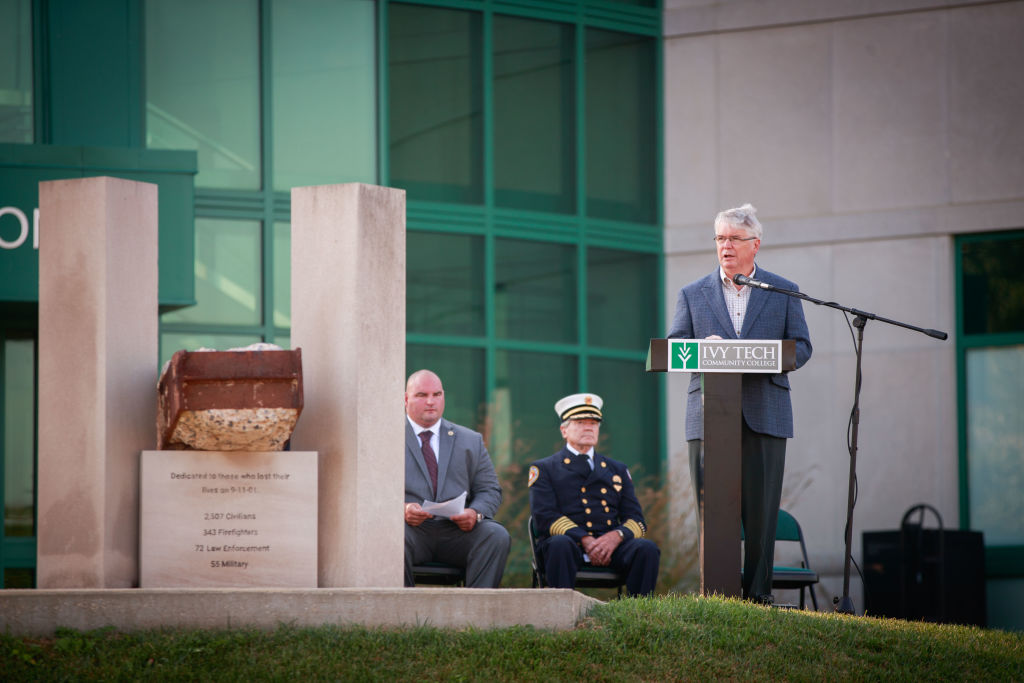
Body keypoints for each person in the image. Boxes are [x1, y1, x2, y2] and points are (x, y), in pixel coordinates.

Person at [666, 203, 812, 604]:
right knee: (712, 512)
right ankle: (717, 596)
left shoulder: (783, 291)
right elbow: (675, 347)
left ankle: (759, 596)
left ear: (755, 244)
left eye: (734, 238)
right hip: (708, 417)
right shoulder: (692, 293)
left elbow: (802, 347)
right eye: (720, 238)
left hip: (766, 413)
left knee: (762, 514)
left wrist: (760, 356)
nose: (725, 246)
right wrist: (704, 348)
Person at [528, 393, 660, 596]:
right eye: (580, 422)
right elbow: (545, 516)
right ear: (564, 430)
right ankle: (561, 611)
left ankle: (640, 612)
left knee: (646, 548)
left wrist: (616, 536)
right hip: (568, 545)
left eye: (594, 423)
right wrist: (585, 539)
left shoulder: (617, 469)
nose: (589, 428)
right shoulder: (545, 468)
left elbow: (637, 520)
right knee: (560, 544)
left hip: (610, 547)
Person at [403, 369, 510, 588]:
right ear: (406, 399)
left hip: (457, 532)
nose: (431, 401)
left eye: (437, 394)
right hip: (409, 531)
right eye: (422, 395)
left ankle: (477, 607)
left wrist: (474, 512)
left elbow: (490, 490)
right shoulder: (385, 436)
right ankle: (400, 607)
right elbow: (370, 492)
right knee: (390, 536)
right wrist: (402, 509)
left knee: (496, 535)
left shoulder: (470, 440)